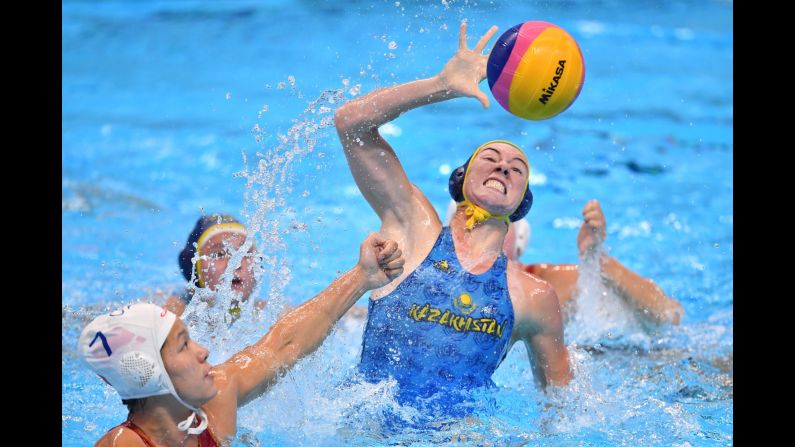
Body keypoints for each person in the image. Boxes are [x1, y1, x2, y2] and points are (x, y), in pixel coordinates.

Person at [333, 20, 571, 401]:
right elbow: (350, 124)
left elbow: (562, 411)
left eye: (517, 168)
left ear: (522, 201)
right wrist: (440, 86)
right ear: (461, 180)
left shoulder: (533, 296)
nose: (503, 167)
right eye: (490, 158)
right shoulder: (413, 230)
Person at [78, 233, 405, 446]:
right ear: (146, 374)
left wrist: (362, 277)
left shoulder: (214, 403)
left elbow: (284, 345)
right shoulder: (124, 444)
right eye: (183, 346)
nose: (203, 351)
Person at [448, 199, 684, 326]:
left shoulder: (546, 285)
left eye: (497, 220)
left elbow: (668, 315)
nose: (480, 230)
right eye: (471, 220)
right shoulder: (431, 279)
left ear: (520, 240)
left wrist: (597, 261)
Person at [163, 214, 262, 319]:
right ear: (195, 270)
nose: (235, 264)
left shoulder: (267, 312)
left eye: (245, 253)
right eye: (219, 254)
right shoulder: (175, 307)